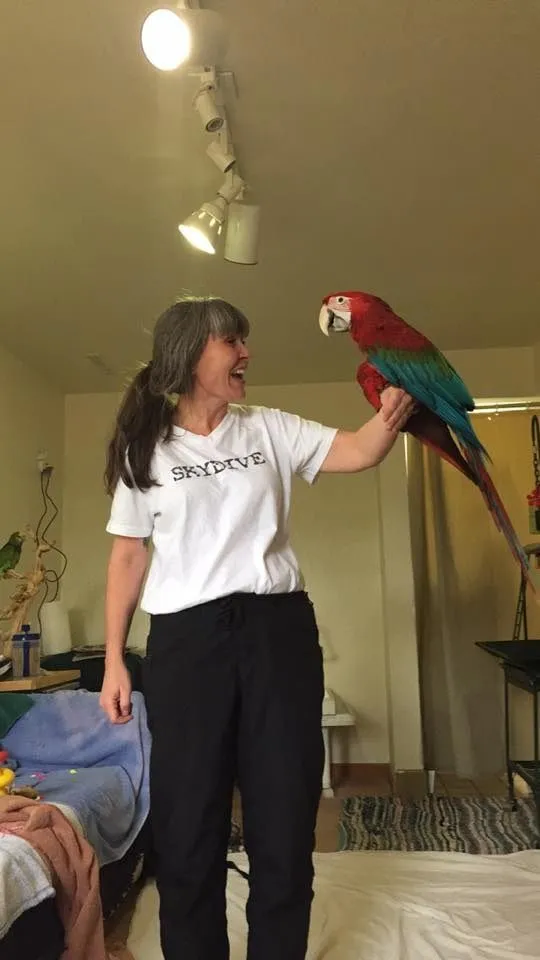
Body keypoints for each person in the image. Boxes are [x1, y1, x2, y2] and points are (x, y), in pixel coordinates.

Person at [100, 296, 415, 960]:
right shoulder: (146, 448)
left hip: (278, 634)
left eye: (244, 340)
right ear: (191, 354)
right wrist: (113, 661)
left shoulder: (269, 428)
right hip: (186, 644)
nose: (246, 352)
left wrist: (393, 410)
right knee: (188, 821)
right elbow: (129, 555)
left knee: (285, 814)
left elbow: (359, 450)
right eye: (231, 342)